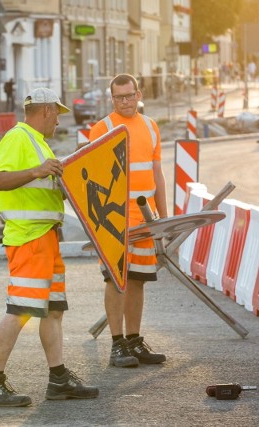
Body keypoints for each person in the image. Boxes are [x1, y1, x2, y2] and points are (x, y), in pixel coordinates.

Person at [0, 87, 99, 407]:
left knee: (53, 311)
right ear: (45, 111)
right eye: (57, 114)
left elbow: (42, 189)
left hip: (47, 238)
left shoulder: (39, 144)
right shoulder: (18, 137)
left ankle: (58, 379)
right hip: (29, 239)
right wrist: (38, 170)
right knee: (20, 312)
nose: (58, 121)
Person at [87, 74, 168, 368]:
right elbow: (91, 180)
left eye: (130, 95)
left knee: (137, 281)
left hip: (144, 220)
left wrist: (163, 218)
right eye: (119, 97)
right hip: (112, 221)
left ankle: (134, 340)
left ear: (139, 94)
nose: (125, 102)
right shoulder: (102, 129)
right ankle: (117, 344)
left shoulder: (150, 127)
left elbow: (157, 175)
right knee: (115, 280)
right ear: (112, 99)